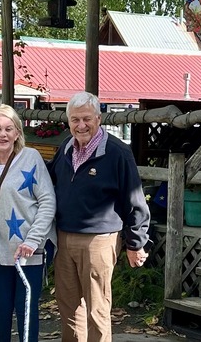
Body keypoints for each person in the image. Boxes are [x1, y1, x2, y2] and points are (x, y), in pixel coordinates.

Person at [49, 91, 150, 342]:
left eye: (86, 119)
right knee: (69, 307)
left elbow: (134, 199)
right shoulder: (65, 148)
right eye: (75, 120)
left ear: (99, 118)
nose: (81, 125)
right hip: (63, 237)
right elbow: (49, 182)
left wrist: (136, 243)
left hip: (99, 240)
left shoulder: (117, 152)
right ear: (68, 121)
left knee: (97, 309)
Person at [0, 104, 56, 342]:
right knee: (0, 314)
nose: (3, 134)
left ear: (17, 133)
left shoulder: (30, 158)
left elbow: (47, 201)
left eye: (8, 129)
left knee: (26, 314)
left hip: (28, 251)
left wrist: (33, 240)